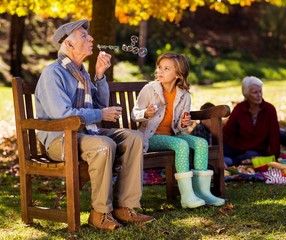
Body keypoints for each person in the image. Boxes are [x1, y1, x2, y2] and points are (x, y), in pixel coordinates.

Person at [34, 20, 154, 230]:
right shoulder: (53, 73)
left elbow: (99, 105)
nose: (90, 38)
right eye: (83, 36)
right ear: (69, 44)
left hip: (86, 133)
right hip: (59, 139)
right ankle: (100, 213)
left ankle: (125, 207)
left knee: (134, 138)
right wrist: (100, 113)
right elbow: (62, 115)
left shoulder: (82, 73)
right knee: (103, 144)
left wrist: (99, 76)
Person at [131, 53, 225, 208]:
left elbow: (181, 127)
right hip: (151, 136)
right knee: (181, 146)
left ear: (178, 74)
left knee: (201, 143)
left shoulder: (184, 95)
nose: (160, 71)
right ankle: (187, 197)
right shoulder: (149, 89)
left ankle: (203, 193)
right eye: (159, 67)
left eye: (166, 69)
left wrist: (184, 123)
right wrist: (146, 113)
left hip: (173, 135)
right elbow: (135, 114)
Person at [223, 76, 280, 167]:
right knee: (223, 150)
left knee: (251, 155)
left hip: (256, 151)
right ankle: (231, 161)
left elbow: (274, 136)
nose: (259, 95)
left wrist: (275, 159)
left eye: (260, 91)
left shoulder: (269, 109)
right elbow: (227, 132)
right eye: (255, 92)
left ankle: (232, 162)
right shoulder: (239, 109)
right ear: (246, 94)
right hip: (237, 149)